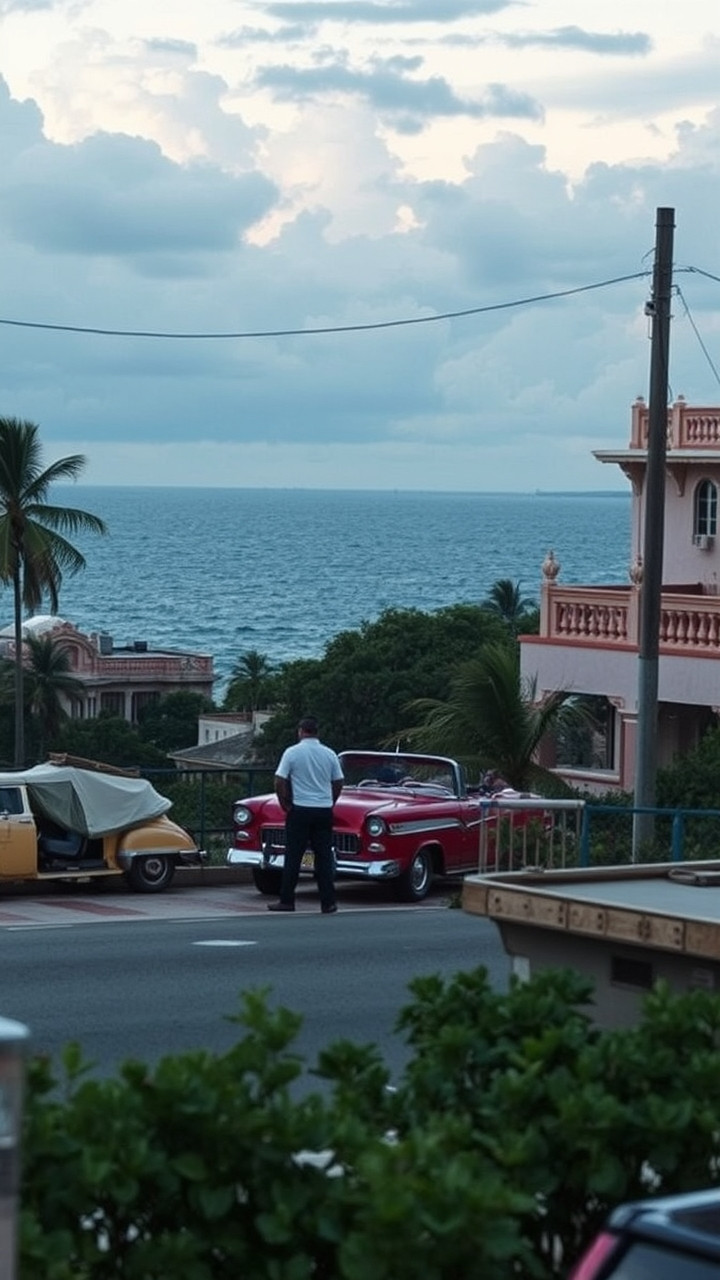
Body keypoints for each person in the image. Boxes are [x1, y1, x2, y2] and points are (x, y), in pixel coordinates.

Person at [268, 716, 344, 914]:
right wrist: (330, 800)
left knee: (294, 855)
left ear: (301, 731)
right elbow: (338, 782)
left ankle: (287, 900)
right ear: (317, 732)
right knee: (324, 857)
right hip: (323, 809)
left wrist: (284, 802)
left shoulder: (292, 752)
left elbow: (279, 780)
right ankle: (328, 902)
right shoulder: (329, 754)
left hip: (300, 808)